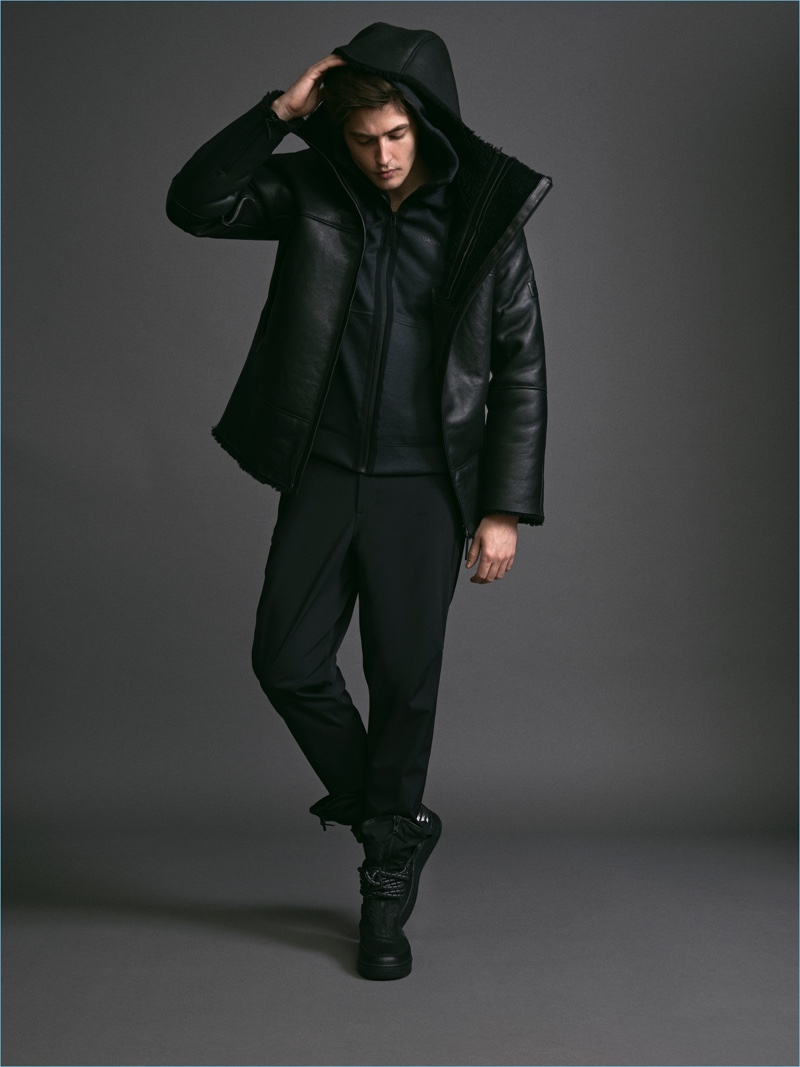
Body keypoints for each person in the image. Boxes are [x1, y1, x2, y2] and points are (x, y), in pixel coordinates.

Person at [166, 21, 551, 981]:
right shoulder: (312, 191)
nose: (381, 157)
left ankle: (383, 892)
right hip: (328, 471)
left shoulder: (482, 217)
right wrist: (279, 113)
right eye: (363, 138)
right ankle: (394, 822)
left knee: (404, 681)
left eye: (397, 136)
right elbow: (195, 204)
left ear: (429, 125)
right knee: (286, 658)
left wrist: (502, 507)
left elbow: (522, 368)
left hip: (429, 487)